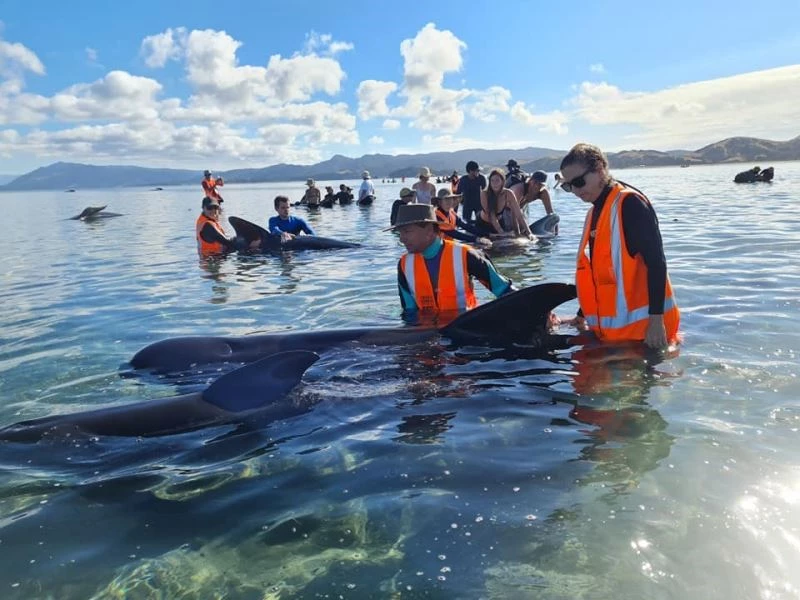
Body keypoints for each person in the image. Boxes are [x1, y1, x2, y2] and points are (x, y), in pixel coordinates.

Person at [556, 143, 680, 349]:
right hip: (615, 340)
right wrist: (581, 316)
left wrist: (656, 322)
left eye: (578, 182)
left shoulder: (630, 204)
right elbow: (602, 277)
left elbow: (656, 263)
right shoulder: (595, 212)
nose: (575, 191)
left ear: (600, 169)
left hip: (646, 338)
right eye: (568, 186)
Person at [388, 204, 513, 318]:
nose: (402, 239)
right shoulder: (404, 265)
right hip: (428, 334)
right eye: (400, 233)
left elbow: (505, 291)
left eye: (407, 232)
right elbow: (409, 311)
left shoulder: (466, 254)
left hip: (468, 331)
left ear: (429, 231)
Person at [474, 169, 533, 237]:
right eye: (492, 181)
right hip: (483, 224)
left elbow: (519, 214)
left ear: (503, 181)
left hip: (500, 222)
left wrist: (529, 233)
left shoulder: (508, 193)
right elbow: (492, 216)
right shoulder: (484, 193)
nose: (494, 183)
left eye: (497, 180)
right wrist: (502, 233)